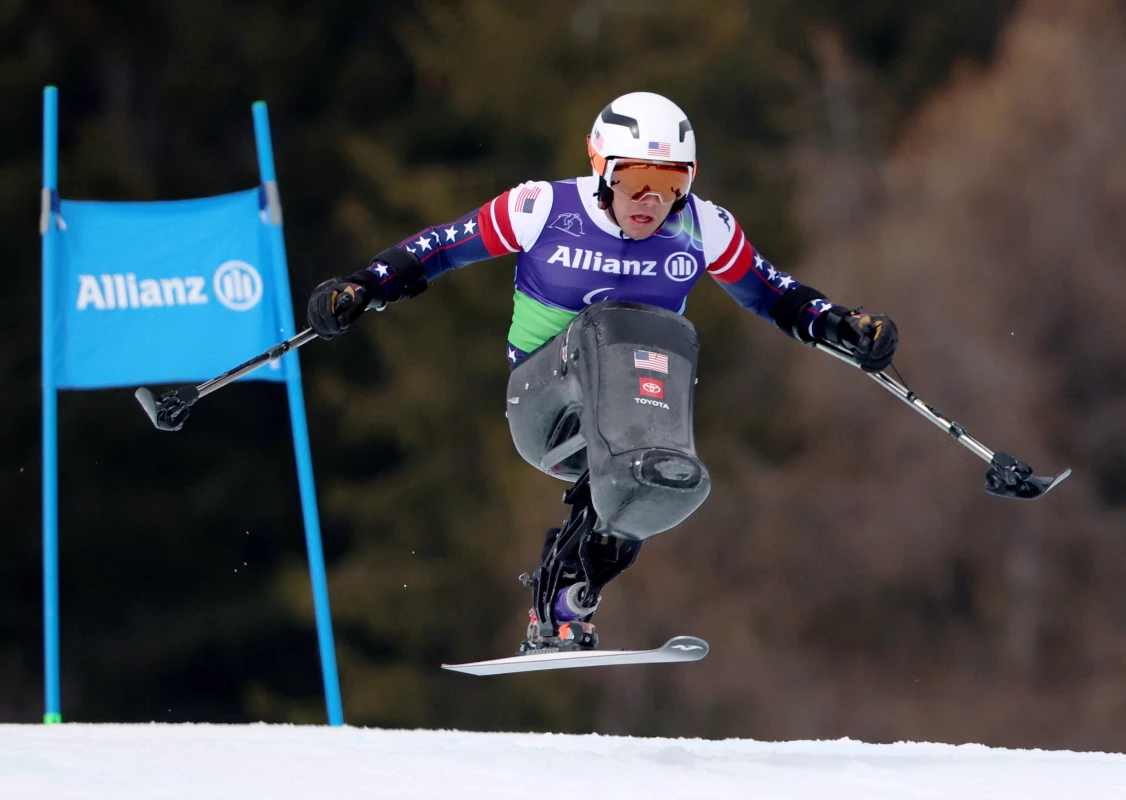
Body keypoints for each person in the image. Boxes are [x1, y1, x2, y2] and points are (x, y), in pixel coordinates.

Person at [306, 92, 897, 654]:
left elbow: (773, 294)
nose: (651, 201)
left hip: (633, 419)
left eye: (672, 184)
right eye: (635, 180)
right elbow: (441, 247)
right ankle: (587, 547)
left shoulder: (703, 226)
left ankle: (567, 599)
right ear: (600, 169)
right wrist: (364, 288)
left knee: (659, 482)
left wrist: (843, 327)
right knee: (613, 325)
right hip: (546, 405)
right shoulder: (542, 209)